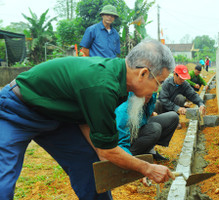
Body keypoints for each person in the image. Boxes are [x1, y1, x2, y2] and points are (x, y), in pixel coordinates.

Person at [0, 39, 175, 200]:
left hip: (60, 117)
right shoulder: (104, 85)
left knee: (88, 166)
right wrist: (146, 168)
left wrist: (130, 165)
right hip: (17, 110)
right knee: (3, 182)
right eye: (159, 83)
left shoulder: (119, 80)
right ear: (143, 73)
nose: (156, 91)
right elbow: (108, 151)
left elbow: (99, 143)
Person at [116, 92, 179, 161]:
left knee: (173, 117)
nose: (148, 97)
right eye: (147, 95)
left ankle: (149, 148)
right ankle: (134, 154)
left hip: (142, 125)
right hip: (129, 137)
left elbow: (149, 109)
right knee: (154, 129)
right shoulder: (124, 110)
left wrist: (151, 112)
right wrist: (129, 160)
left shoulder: (150, 97)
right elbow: (120, 142)